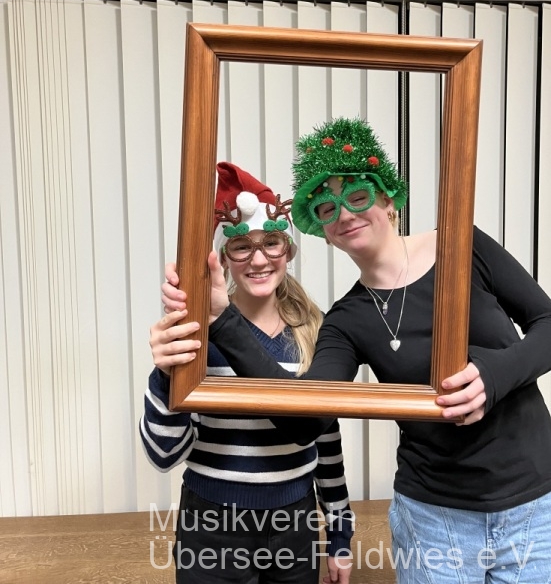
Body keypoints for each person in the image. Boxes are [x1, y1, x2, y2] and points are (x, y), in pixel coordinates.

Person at [163, 118, 551, 583]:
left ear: (388, 200)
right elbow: (305, 421)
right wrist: (222, 319)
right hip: (434, 517)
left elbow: (548, 323)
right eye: (328, 208)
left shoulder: (462, 246)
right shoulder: (344, 321)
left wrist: (493, 374)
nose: (345, 213)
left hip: (536, 506)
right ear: (323, 231)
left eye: (358, 196)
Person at [140, 161, 354, 584]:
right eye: (241, 246)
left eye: (272, 243)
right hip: (211, 525)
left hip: (295, 526)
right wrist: (164, 375)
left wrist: (340, 533)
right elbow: (163, 455)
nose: (259, 260)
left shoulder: (316, 331)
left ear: (288, 252)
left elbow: (326, 439)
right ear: (222, 259)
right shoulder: (196, 333)